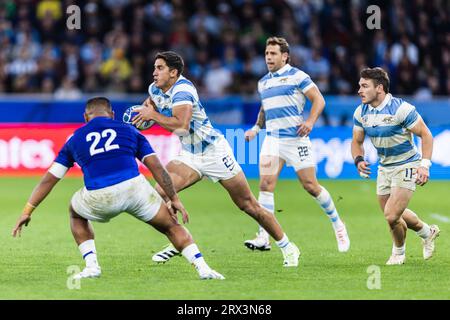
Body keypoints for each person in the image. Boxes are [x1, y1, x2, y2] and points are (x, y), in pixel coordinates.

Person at [11, 97, 224, 280]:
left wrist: (27, 211)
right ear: (112, 114)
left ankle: (92, 266)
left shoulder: (74, 139)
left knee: (75, 212)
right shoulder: (130, 130)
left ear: (86, 117)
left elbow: (49, 179)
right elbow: (157, 167)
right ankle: (203, 268)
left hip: (99, 196)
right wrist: (173, 197)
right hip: (135, 189)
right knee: (171, 226)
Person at [131, 51, 300, 266]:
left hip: (214, 152)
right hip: (190, 154)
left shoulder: (183, 91)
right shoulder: (154, 88)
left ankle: (287, 246)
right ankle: (180, 241)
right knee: (159, 194)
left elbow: (181, 125)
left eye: (160, 68)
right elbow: (151, 104)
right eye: (155, 68)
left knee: (248, 205)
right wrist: (145, 114)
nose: (154, 72)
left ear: (173, 73)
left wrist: (153, 116)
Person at [243, 37, 350, 252]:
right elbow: (265, 108)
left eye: (273, 54)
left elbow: (319, 100)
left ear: (285, 56)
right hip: (273, 139)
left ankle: (338, 224)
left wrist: (310, 122)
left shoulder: (298, 76)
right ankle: (263, 236)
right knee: (265, 185)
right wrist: (256, 128)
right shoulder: (263, 82)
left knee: (310, 186)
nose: (268, 58)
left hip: (295, 140)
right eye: (266, 54)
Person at [351, 67, 440, 265]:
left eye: (364, 86)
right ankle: (428, 232)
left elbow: (426, 134)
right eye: (359, 86)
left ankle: (398, 253)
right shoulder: (361, 112)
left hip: (407, 163)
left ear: (379, 88)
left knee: (391, 215)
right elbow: (356, 141)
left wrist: (424, 166)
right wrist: (359, 160)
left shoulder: (401, 109)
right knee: (393, 214)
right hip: (384, 167)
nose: (359, 90)